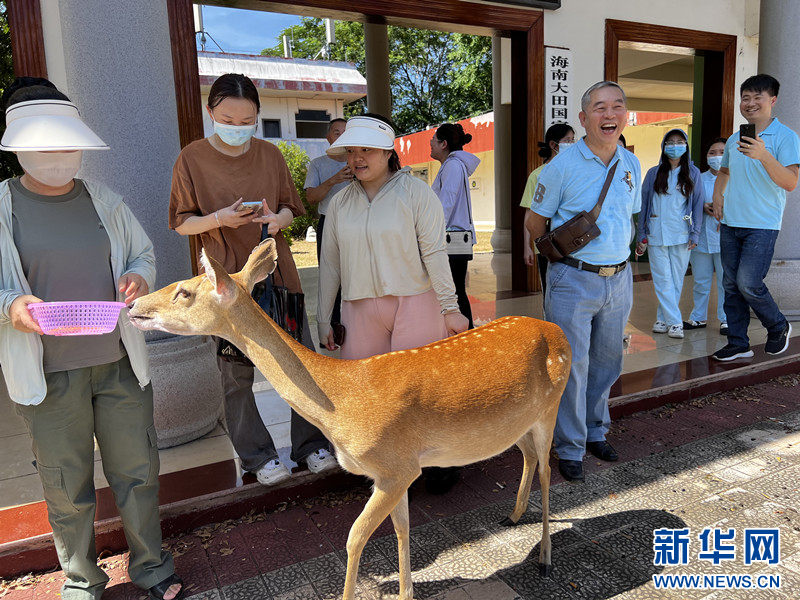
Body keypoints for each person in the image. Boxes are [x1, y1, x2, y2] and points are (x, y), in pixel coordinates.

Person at [0, 78, 183, 600]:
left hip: (118, 362)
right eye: (44, 143)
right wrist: (10, 305)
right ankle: (81, 579)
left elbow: (142, 256)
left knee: (138, 472)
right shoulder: (2, 206)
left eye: (66, 140)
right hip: (49, 375)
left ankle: (152, 567)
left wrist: (138, 278)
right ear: (17, 143)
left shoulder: (104, 199)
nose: (58, 154)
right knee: (65, 486)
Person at [169, 73, 335, 485]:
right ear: (211, 113)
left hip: (276, 274)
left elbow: (288, 208)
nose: (238, 129)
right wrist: (218, 219)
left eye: (248, 121)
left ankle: (311, 444)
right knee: (236, 374)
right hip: (225, 284)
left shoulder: (270, 155)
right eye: (229, 119)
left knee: (300, 361)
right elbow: (180, 223)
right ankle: (258, 457)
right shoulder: (191, 158)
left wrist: (275, 219)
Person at [317, 115, 469, 493]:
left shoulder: (417, 194)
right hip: (359, 308)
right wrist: (323, 318)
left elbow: (436, 253)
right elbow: (331, 263)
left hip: (415, 302)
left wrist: (450, 307)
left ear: (389, 151)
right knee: (368, 396)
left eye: (366, 149)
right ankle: (385, 473)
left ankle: (433, 469)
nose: (357, 157)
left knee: (418, 396)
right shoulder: (339, 202)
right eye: (351, 150)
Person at [529, 81, 641, 483]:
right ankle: (570, 445)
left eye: (617, 106)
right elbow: (534, 222)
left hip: (619, 278)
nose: (609, 114)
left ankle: (596, 430)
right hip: (573, 280)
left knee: (608, 361)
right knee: (570, 366)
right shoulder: (560, 166)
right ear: (583, 118)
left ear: (625, 114)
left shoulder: (630, 163)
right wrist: (555, 267)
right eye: (599, 108)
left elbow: (629, 216)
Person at [712, 74, 800, 361]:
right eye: (745, 97)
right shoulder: (737, 137)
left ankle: (778, 325)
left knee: (748, 282)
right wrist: (718, 197)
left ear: (772, 101)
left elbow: (789, 182)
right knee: (730, 285)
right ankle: (738, 343)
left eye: (757, 97)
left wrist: (764, 155)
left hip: (762, 225)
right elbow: (724, 171)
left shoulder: (786, 137)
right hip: (731, 223)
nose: (750, 103)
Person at [636, 128, 704, 340]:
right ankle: (675, 322)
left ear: (686, 146)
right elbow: (644, 204)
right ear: (664, 147)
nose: (675, 146)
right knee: (662, 279)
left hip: (682, 233)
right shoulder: (653, 173)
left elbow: (698, 205)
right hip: (656, 232)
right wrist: (641, 234)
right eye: (670, 142)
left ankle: (663, 318)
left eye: (679, 141)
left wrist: (695, 233)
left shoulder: (693, 173)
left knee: (675, 280)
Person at [430, 122, 480, 328]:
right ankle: (464, 334)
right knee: (456, 289)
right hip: (457, 238)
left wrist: (432, 232)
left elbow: (446, 203)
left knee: (455, 290)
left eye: (433, 141)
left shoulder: (452, 165)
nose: (431, 145)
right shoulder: (454, 165)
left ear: (444, 143)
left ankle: (465, 334)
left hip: (450, 238)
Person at [521, 124, 576, 299]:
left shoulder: (576, 172)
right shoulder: (537, 175)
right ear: (553, 145)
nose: (572, 144)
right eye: (567, 140)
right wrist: (528, 247)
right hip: (548, 245)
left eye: (573, 140)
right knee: (550, 292)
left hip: (574, 243)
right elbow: (530, 215)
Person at [304, 118, 349, 326]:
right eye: (337, 132)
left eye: (347, 132)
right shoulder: (318, 164)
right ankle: (330, 327)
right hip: (329, 224)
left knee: (357, 274)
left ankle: (355, 326)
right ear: (328, 138)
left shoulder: (361, 161)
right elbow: (311, 198)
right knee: (329, 278)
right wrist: (334, 179)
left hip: (357, 225)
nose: (342, 136)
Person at [685, 138, 728, 334]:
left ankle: (726, 318)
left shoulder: (735, 178)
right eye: (712, 152)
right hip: (701, 237)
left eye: (721, 152)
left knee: (725, 281)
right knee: (701, 280)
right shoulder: (697, 179)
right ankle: (698, 317)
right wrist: (702, 207)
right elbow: (685, 203)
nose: (717, 156)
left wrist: (725, 212)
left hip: (726, 237)